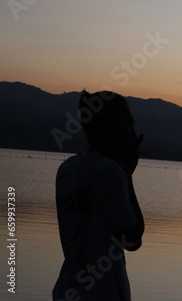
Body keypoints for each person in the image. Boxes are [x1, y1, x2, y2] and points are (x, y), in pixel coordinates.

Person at [52, 90, 145, 301]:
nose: (132, 133)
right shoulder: (110, 171)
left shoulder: (67, 168)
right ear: (111, 128)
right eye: (128, 124)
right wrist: (128, 174)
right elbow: (132, 240)